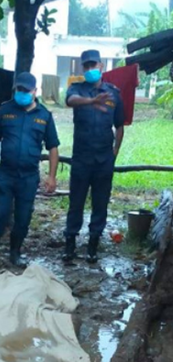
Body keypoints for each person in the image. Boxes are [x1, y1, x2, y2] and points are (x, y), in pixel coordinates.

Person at [0, 72, 59, 268]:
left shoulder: (44, 116)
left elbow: (53, 147)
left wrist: (51, 176)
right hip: (5, 173)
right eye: (19, 89)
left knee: (23, 216)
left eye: (26, 90)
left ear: (35, 91)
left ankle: (15, 252)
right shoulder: (5, 110)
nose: (22, 93)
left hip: (29, 176)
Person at [63, 49, 125, 264]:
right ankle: (70, 244)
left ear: (101, 66)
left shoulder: (113, 93)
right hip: (81, 157)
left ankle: (93, 245)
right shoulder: (77, 89)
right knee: (76, 202)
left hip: (104, 159)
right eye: (86, 66)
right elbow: (70, 101)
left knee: (100, 203)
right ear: (83, 68)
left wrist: (114, 152)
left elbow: (119, 126)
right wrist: (91, 101)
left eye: (93, 65)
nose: (90, 69)